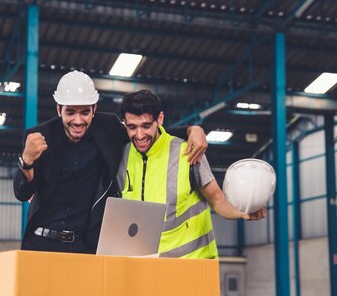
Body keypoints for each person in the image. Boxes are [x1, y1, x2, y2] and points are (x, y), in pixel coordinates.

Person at [13, 71, 209, 254]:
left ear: (94, 109)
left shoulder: (108, 128)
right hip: (40, 244)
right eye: (70, 112)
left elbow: (145, 133)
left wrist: (192, 130)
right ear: (59, 109)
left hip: (86, 248)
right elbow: (22, 193)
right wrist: (27, 160)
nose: (78, 120)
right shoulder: (38, 137)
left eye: (85, 112)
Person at [117, 90, 266, 259]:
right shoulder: (122, 156)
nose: (139, 135)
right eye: (132, 127)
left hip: (192, 265)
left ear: (159, 119)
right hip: (148, 266)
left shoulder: (187, 152)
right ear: (124, 124)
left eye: (146, 126)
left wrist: (242, 211)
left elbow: (217, 199)